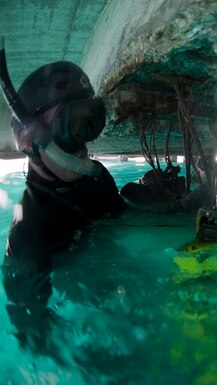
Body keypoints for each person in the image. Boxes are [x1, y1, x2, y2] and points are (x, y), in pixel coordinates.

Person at [0, 60, 126, 353]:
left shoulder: (98, 179)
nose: (82, 143)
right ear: (31, 139)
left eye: (89, 122)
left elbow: (126, 223)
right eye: (70, 125)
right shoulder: (28, 234)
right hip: (80, 311)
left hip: (110, 290)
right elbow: (33, 340)